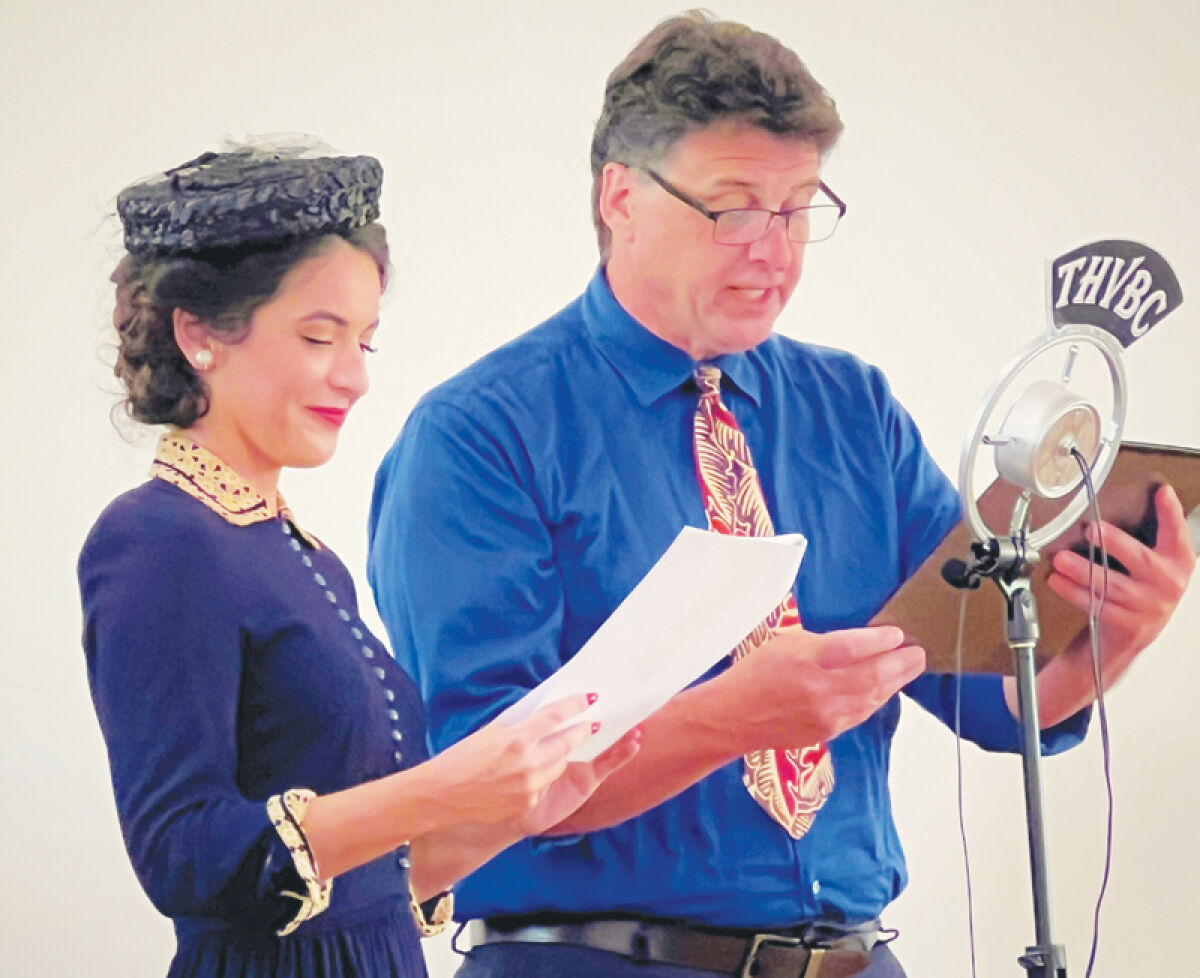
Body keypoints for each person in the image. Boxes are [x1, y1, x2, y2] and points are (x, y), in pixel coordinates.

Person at [366, 13, 1196, 978]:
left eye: (800, 206)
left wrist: (1112, 633)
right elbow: (480, 785)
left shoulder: (853, 409)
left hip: (852, 957)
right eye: (734, 207)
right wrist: (734, 718)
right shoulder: (478, 436)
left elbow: (994, 697)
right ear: (620, 197)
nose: (774, 248)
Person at [78, 144, 640, 978]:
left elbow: (366, 886)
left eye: (365, 343)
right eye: (319, 337)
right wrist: (447, 785)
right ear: (199, 334)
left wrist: (511, 813)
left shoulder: (308, 559)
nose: (354, 377)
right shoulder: (159, 539)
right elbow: (185, 855)